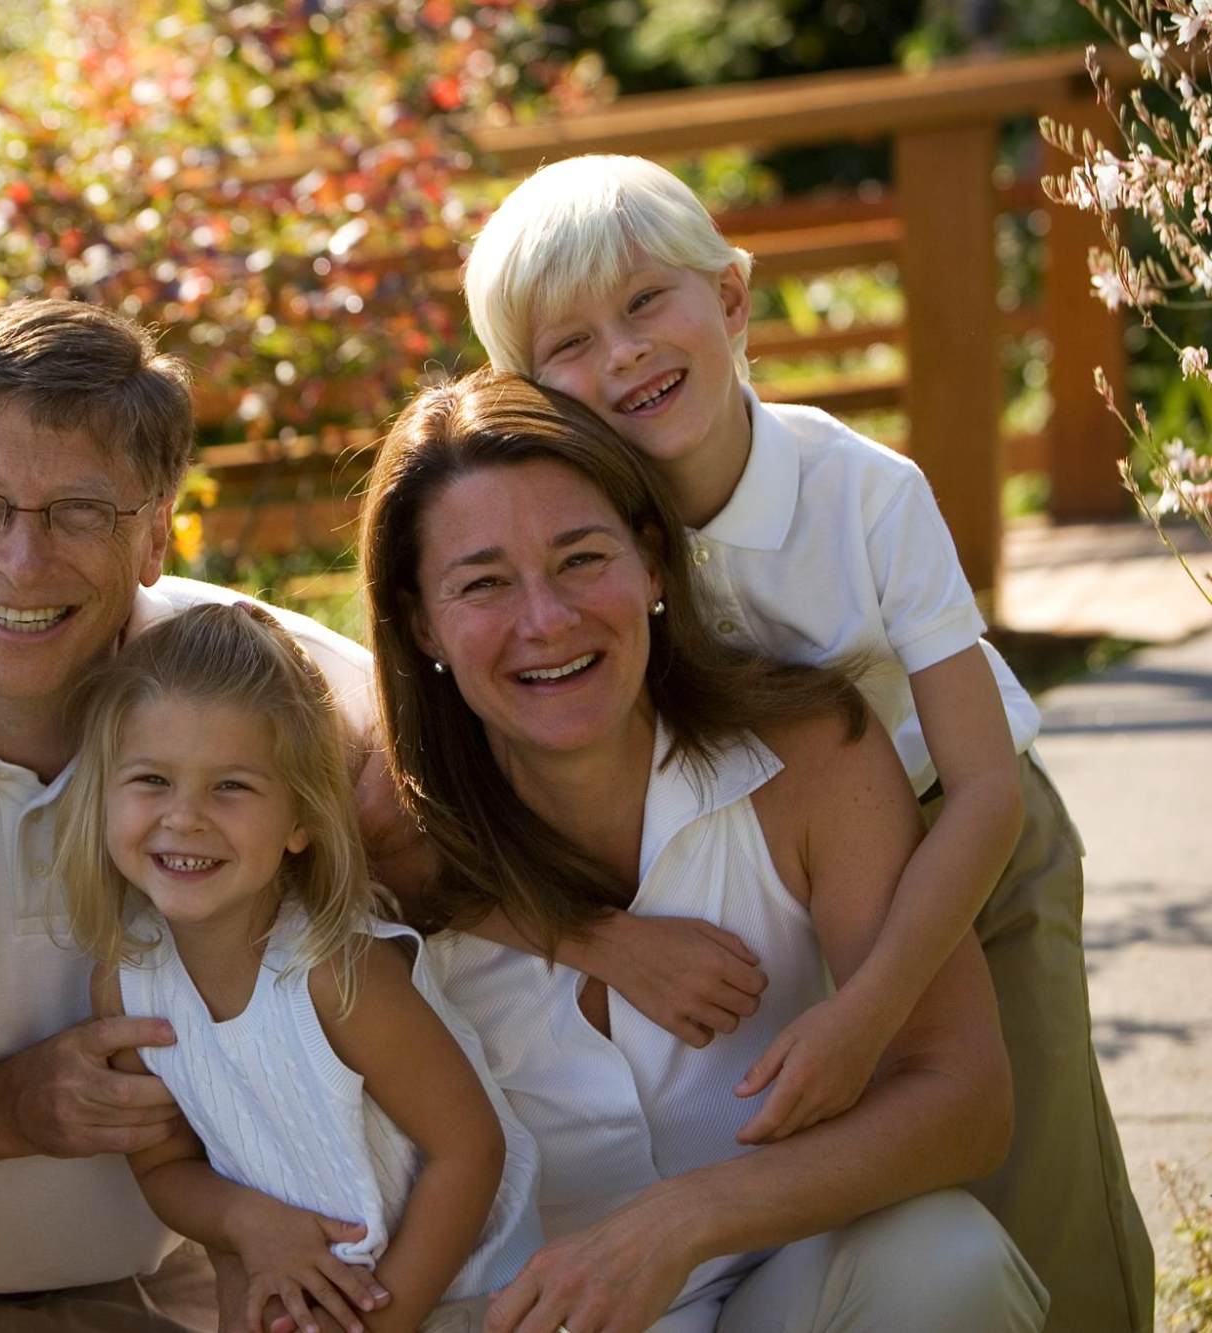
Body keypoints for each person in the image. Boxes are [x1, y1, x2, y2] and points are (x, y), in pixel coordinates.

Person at [461, 153, 1152, 1331]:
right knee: (869, 1187)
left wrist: (868, 1007)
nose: (621, 354)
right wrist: (605, 938)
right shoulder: (585, 543)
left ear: (730, 297)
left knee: (1032, 1172)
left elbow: (985, 790)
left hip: (958, 836)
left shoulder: (861, 494)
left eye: (644, 301)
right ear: (524, 391)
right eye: (567, 343)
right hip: (772, 877)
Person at [360, 369, 1046, 1331]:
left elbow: (963, 1100)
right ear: (421, 622)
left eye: (580, 558)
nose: (546, 620)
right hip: (518, 1316)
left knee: (946, 1262)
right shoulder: (380, 835)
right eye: (484, 583)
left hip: (781, 1285)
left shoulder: (808, 758)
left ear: (651, 563)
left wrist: (685, 1220)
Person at [0, 299, 381, 1332]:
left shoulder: (268, 689)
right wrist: (6, 1107)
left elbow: (461, 827)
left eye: (81, 511)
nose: (23, 561)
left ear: (153, 532)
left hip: (194, 1289)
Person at [59, 601, 546, 1333]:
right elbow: (163, 1168)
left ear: (300, 820)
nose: (184, 817)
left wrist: (382, 1322)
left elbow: (470, 1152)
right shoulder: (127, 982)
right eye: (152, 779)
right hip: (311, 1298)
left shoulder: (336, 974)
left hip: (473, 1298)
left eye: (231, 786)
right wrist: (248, 1221)